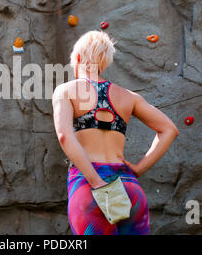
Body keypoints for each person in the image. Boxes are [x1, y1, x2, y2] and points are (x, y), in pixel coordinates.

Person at [52, 31, 179, 235]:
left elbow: (64, 136)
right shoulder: (129, 97)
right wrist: (139, 168)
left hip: (89, 187)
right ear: (104, 62)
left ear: (77, 58)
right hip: (128, 187)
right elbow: (169, 129)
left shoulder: (66, 91)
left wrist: (96, 182)